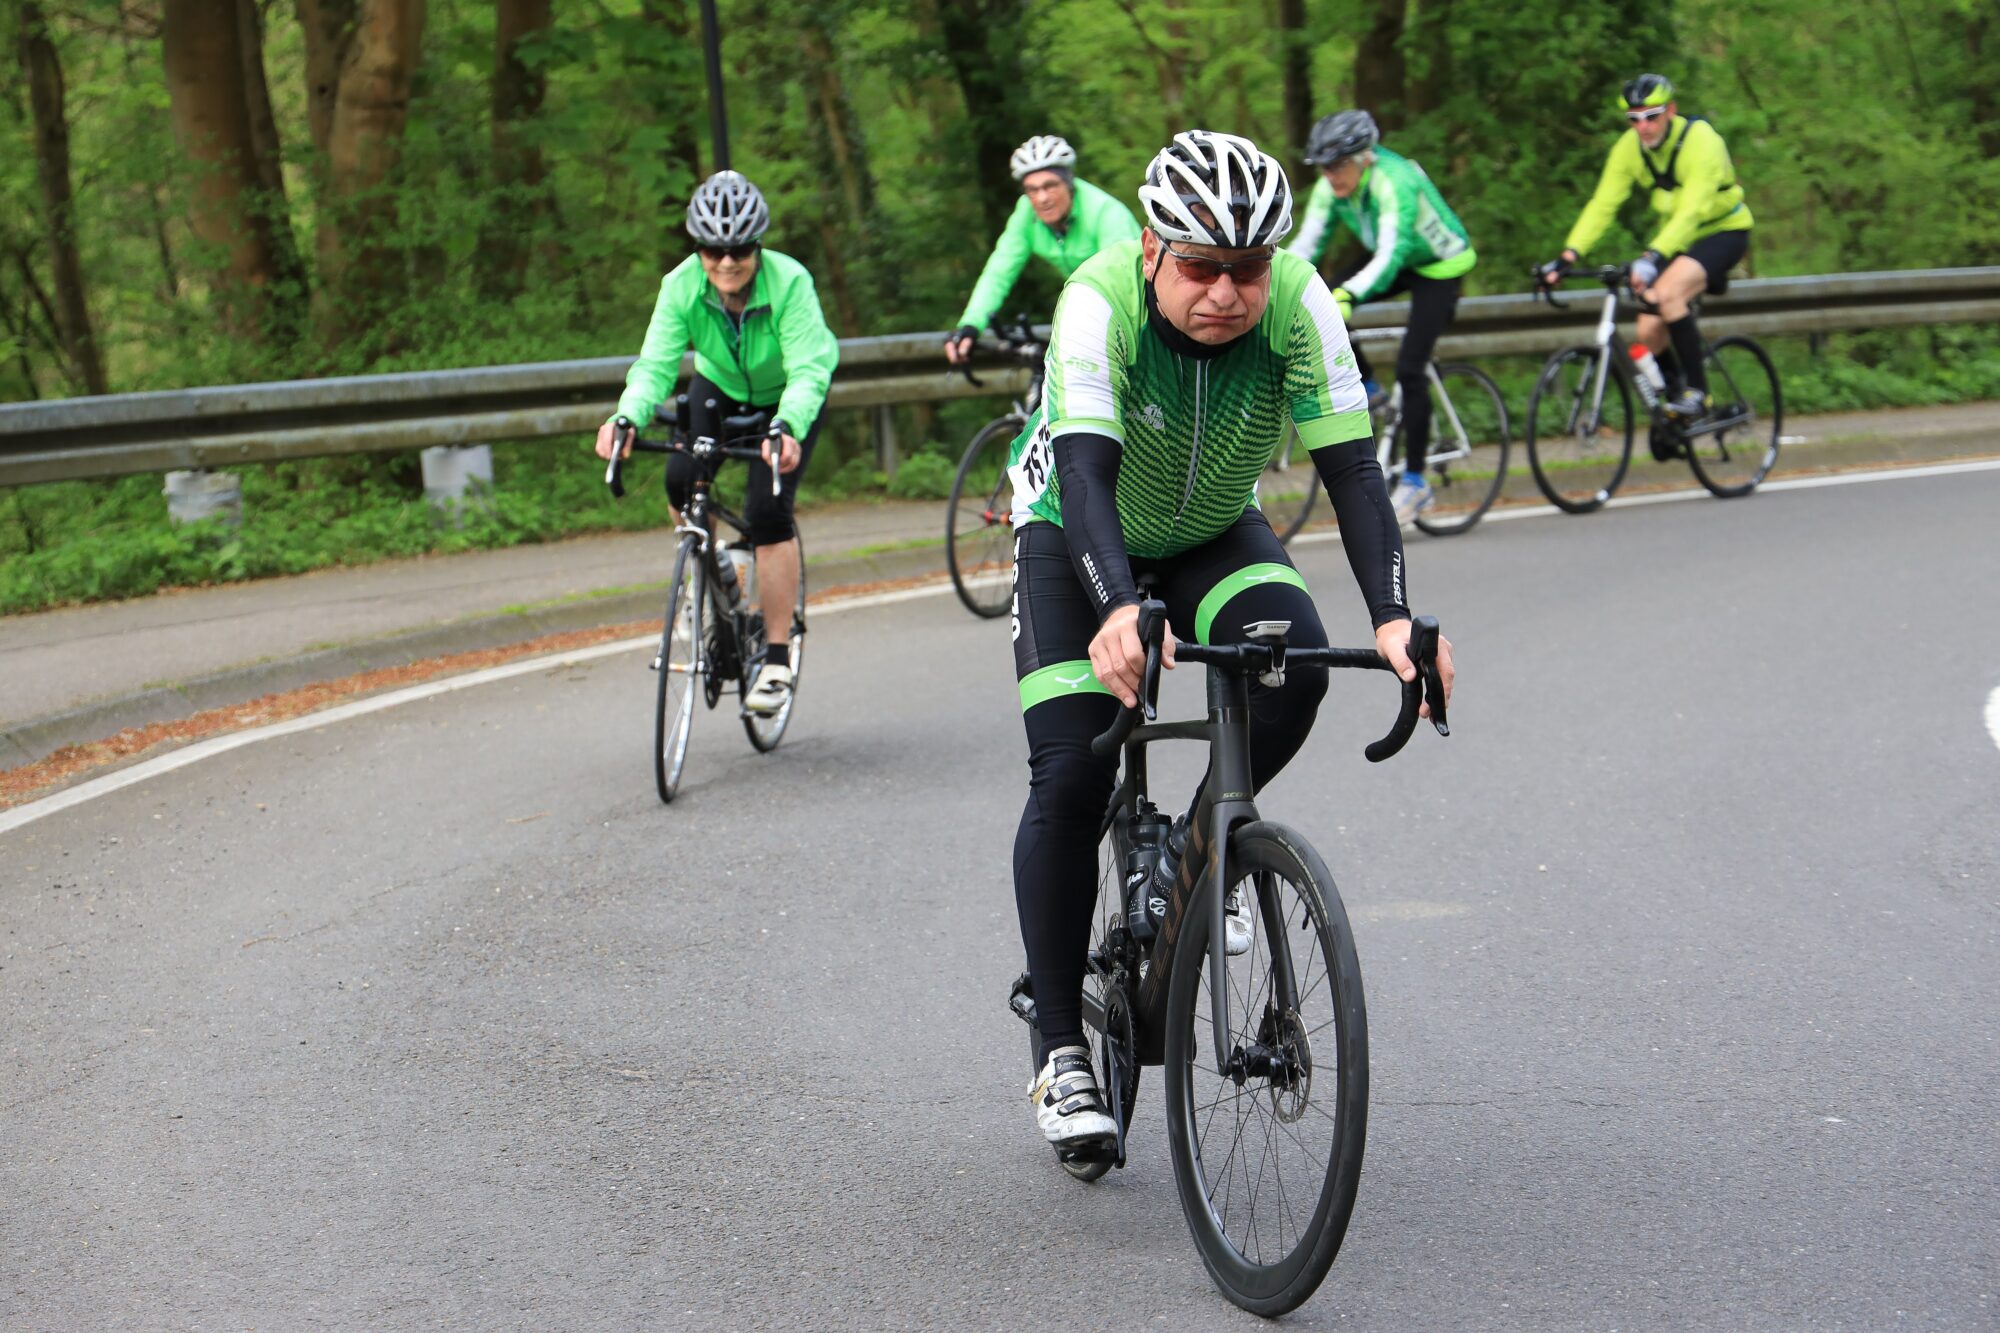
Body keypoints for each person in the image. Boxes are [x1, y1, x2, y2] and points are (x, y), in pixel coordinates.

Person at [1005, 130, 1456, 1150]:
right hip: (1075, 529)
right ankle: (1060, 1048)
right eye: (1201, 266)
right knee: (1072, 773)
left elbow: (1352, 472)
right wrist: (1114, 607)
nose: (1225, 292)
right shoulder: (1097, 301)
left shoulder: (1300, 303)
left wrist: (1393, 619)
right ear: (1152, 249)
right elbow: (1083, 476)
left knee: (1293, 670)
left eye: (1247, 269)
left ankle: (1196, 849)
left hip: (1213, 527)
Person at [595, 170, 838, 714]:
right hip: (720, 387)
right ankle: (715, 574)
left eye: (740, 249)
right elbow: (655, 366)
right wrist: (626, 417)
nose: (727, 261)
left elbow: (807, 369)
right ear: (697, 249)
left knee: (768, 511)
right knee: (681, 482)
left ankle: (776, 658)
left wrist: (788, 427)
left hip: (787, 396)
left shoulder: (790, 282)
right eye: (713, 250)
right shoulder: (680, 285)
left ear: (758, 246)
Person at [1288, 109, 1477, 528]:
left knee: (1410, 368)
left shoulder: (1395, 181)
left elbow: (1391, 255)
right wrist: (1274, 279)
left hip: (1439, 266)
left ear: (1364, 158)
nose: (1329, 176)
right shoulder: (1331, 187)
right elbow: (1306, 245)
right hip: (1398, 258)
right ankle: (1372, 390)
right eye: (1323, 167)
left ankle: (1415, 481)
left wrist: (1349, 295)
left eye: (1338, 166)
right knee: (1319, 298)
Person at [1540, 73, 1753, 424]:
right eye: (1634, 119)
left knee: (1667, 294)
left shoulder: (1702, 141)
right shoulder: (1629, 148)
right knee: (1648, 330)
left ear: (1670, 110)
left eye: (1652, 116)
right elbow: (1603, 204)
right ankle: (1675, 405)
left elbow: (1693, 210)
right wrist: (1569, 255)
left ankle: (1699, 395)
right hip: (1675, 239)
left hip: (1722, 232)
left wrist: (1653, 256)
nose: (1643, 127)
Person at [943, 135, 1141, 366]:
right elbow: (998, 272)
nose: (1042, 198)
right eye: (1032, 189)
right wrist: (970, 325)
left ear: (1069, 183)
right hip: (1091, 310)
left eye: (1050, 186)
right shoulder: (1026, 213)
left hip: (1137, 310)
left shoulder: (1106, 213)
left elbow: (1122, 284)